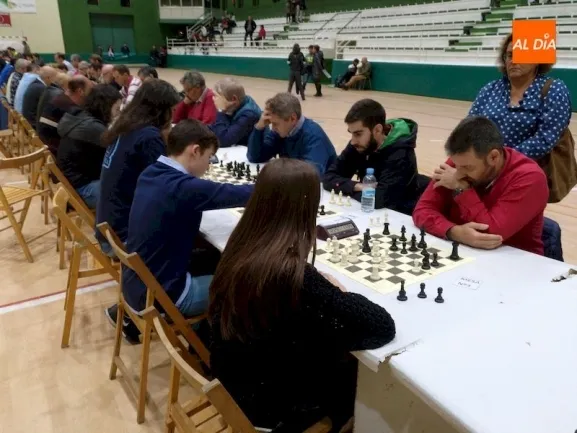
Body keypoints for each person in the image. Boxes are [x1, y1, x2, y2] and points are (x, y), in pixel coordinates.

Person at [209, 158, 396, 432]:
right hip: (272, 409)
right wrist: (336, 292)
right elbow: (381, 326)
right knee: (357, 371)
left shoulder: (240, 246)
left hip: (234, 384)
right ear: (305, 210)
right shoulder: (292, 276)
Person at [113, 119, 253, 324]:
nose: (209, 165)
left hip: (136, 287)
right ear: (195, 151)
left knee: (215, 258)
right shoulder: (183, 187)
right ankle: (210, 337)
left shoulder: (150, 173)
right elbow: (237, 194)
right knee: (250, 287)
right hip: (162, 298)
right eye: (209, 157)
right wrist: (276, 182)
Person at [413, 116, 548, 255]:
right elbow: (422, 210)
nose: (458, 174)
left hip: (516, 260)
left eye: (467, 168)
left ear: (493, 157)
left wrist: (462, 189)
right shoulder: (461, 162)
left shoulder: (530, 178)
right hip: (466, 252)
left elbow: (490, 234)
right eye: (456, 165)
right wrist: (454, 232)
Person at [96, 79, 181, 257]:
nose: (173, 117)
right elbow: (167, 188)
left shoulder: (125, 126)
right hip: (124, 240)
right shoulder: (148, 137)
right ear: (160, 110)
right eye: (172, 110)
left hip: (107, 231)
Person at [468, 33, 572, 161]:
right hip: (488, 164)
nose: (513, 61)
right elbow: (468, 128)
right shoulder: (490, 89)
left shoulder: (554, 89)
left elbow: (545, 139)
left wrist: (502, 160)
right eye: (510, 55)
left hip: (532, 168)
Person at [323, 99, 421, 215]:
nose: (353, 141)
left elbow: (378, 199)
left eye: (358, 134)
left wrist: (344, 188)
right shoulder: (360, 145)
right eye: (352, 133)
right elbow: (328, 177)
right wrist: (357, 186)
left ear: (377, 130)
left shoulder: (401, 154)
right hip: (368, 212)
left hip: (398, 216)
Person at [57, 84, 122, 209]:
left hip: (71, 183)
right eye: (117, 109)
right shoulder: (93, 128)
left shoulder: (81, 116)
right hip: (81, 189)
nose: (118, 114)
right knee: (128, 193)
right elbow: (119, 153)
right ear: (106, 107)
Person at [247, 92, 336, 175]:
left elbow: (310, 176)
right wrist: (259, 127)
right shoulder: (282, 132)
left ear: (293, 118)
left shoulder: (314, 137)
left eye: (275, 124)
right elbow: (255, 157)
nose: (273, 128)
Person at [38, 75, 91, 156]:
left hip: (44, 147)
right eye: (90, 91)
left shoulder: (60, 98)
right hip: (53, 153)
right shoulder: (70, 108)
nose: (91, 95)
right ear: (80, 91)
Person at [209, 77, 262, 147]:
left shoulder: (249, 114)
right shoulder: (236, 104)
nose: (213, 98)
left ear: (233, 99)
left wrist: (220, 110)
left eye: (216, 96)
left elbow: (223, 140)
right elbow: (213, 129)